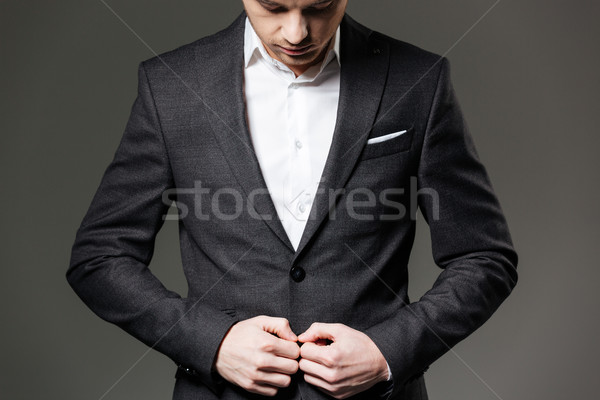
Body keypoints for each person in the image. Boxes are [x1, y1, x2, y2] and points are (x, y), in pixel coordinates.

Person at [67, 1, 518, 399]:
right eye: (274, 7)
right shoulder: (169, 85)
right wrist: (213, 342)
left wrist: (388, 352)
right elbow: (100, 258)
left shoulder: (419, 80)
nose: (297, 33)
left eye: (319, 7)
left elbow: (485, 256)